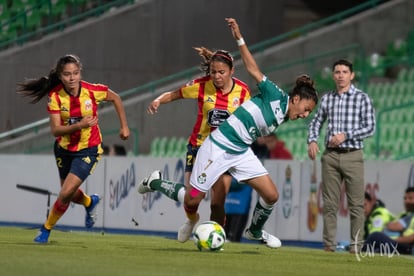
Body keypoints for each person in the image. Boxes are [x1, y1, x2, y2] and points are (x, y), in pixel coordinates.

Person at [140, 17, 318, 248]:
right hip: (217, 145)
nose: (305, 115)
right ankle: (156, 182)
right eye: (305, 110)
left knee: (271, 196)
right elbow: (253, 68)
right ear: (295, 99)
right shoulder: (274, 94)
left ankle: (254, 231)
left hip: (241, 152)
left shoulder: (285, 112)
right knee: (194, 199)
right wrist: (239, 38)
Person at [17, 54, 130, 243]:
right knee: (67, 193)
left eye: (75, 73)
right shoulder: (55, 98)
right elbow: (55, 130)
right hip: (63, 148)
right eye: (67, 74)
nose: (72, 78)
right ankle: (89, 201)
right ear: (60, 76)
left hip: (89, 149)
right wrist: (79, 125)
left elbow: (116, 98)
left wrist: (124, 126)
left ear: (80, 73)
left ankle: (45, 230)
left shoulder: (92, 91)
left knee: (65, 193)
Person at [138, 46, 251, 226]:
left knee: (218, 202)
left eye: (221, 72)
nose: (217, 76)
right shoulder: (201, 85)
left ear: (232, 71)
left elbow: (248, 119)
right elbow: (175, 94)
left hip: (226, 152)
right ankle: (159, 186)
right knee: (192, 199)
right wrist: (158, 100)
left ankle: (216, 237)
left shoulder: (243, 92)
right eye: (213, 72)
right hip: (199, 146)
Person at [307, 59, 376, 252]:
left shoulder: (362, 98)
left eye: (345, 72)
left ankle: (356, 247)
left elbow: (370, 128)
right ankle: (329, 245)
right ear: (333, 75)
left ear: (351, 75)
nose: (340, 75)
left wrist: (346, 135)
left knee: (356, 205)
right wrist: (312, 140)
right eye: (337, 72)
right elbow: (315, 122)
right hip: (330, 156)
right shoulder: (327, 98)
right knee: (329, 205)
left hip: (353, 154)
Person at [364, 187, 414, 254]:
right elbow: (392, 225)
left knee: (375, 236)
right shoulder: (406, 214)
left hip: (405, 246)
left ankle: (359, 250)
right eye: (405, 198)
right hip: (396, 243)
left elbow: (410, 238)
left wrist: (392, 240)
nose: (406, 201)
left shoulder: (379, 213)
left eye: (410, 198)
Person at [224, 178, 252, 242]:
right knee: (226, 236)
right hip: (230, 208)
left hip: (240, 209)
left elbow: (237, 184)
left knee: (234, 237)